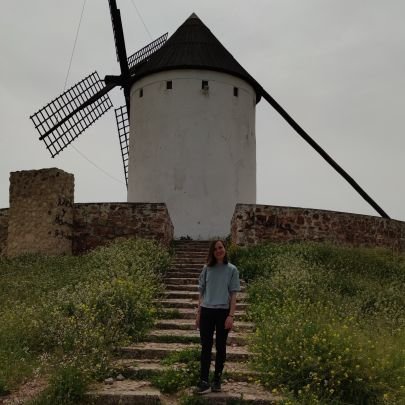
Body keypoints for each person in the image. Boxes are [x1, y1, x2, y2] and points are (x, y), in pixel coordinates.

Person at [194, 239, 241, 394]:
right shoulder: (206, 269)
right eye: (215, 249)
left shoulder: (232, 270)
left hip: (223, 313)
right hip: (206, 311)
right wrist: (198, 313)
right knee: (205, 347)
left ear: (225, 249)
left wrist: (231, 316)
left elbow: (233, 295)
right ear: (212, 252)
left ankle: (217, 380)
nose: (218, 250)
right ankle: (204, 381)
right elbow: (201, 292)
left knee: (221, 347)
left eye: (220, 247)